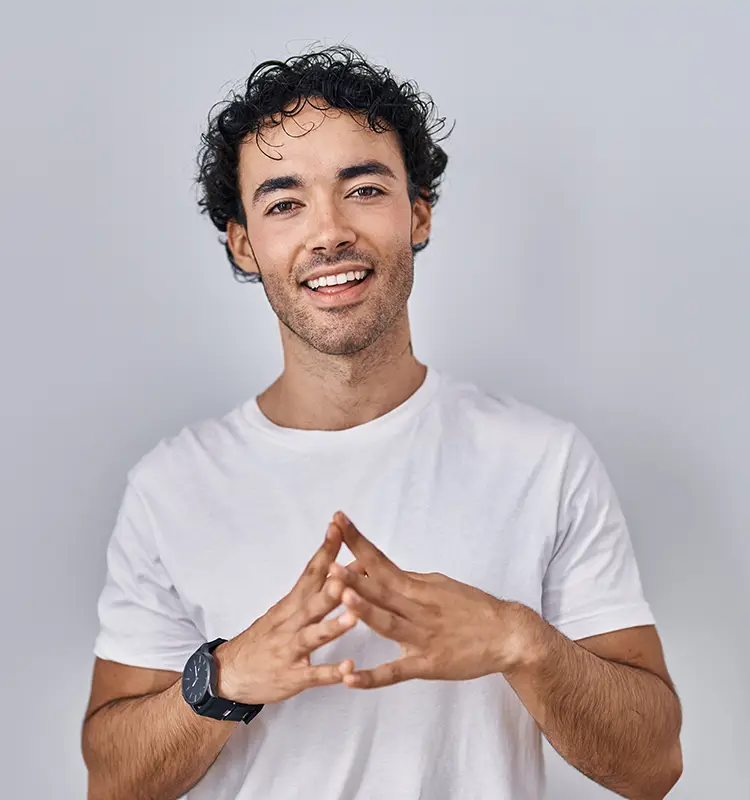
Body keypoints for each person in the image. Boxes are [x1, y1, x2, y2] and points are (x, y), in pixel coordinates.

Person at [81, 45, 683, 800]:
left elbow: (653, 764)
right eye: (283, 203)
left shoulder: (543, 460)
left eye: (363, 189)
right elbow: (111, 781)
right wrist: (227, 675)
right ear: (243, 242)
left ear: (418, 212)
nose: (328, 232)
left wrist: (517, 640)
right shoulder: (171, 486)